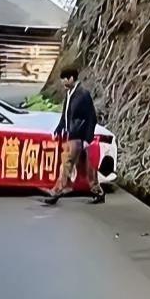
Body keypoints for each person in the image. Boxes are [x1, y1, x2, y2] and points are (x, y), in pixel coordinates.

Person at [42, 64, 104, 206]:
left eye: (65, 79)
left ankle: (56, 192)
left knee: (69, 164)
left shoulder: (83, 95)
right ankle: (97, 191)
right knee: (83, 167)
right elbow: (66, 115)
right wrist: (59, 128)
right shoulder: (69, 94)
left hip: (78, 137)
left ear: (71, 78)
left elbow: (91, 118)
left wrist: (87, 138)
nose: (63, 82)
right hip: (70, 135)